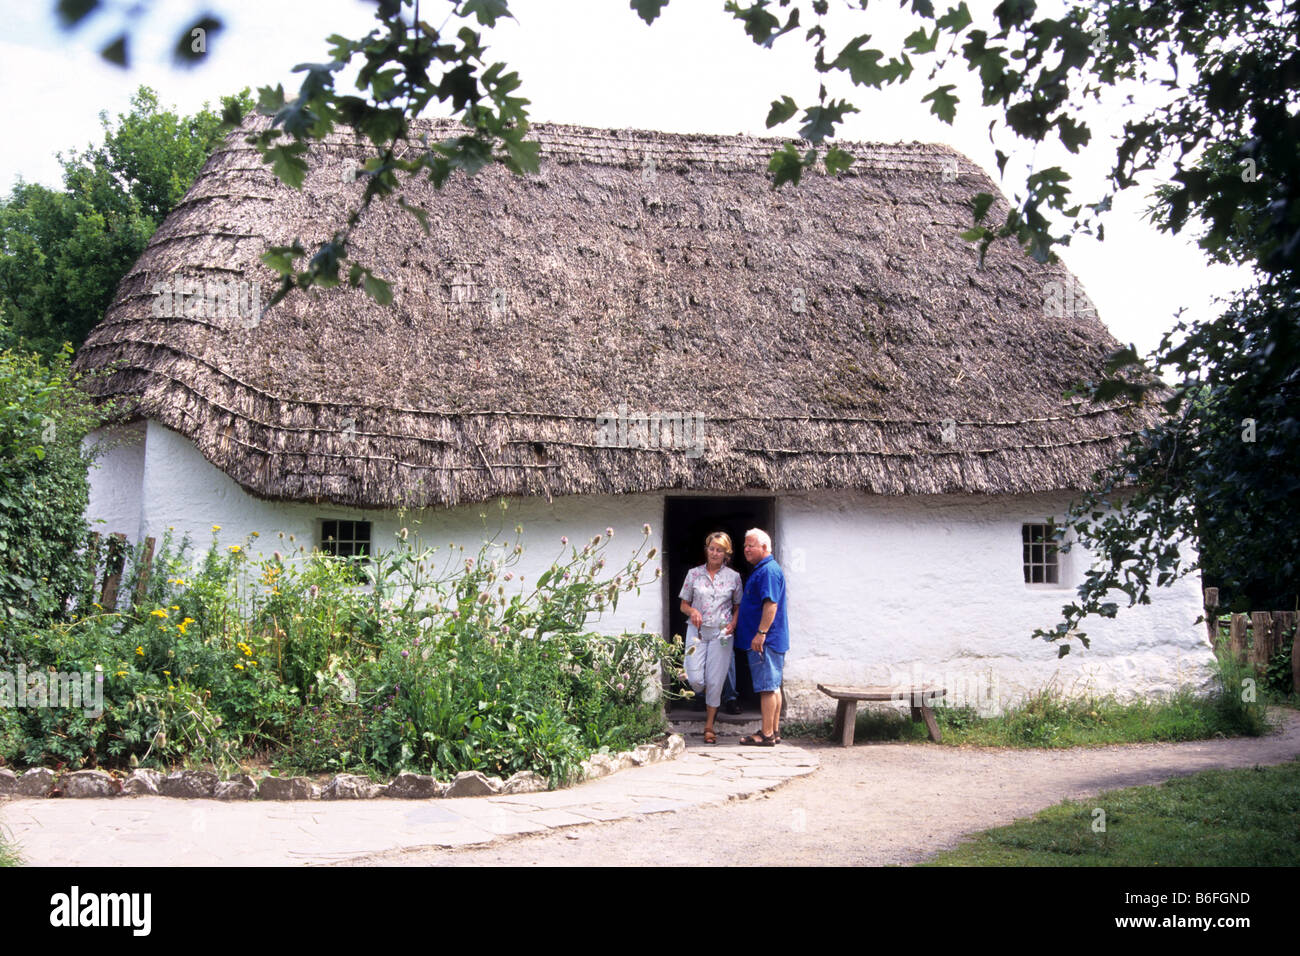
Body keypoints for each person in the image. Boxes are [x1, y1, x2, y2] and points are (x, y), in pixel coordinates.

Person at [678, 532, 743, 745]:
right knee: (695, 678)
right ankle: (704, 693)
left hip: (721, 634)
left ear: (726, 554)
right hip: (696, 632)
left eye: (720, 550)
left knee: (715, 681)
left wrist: (733, 623)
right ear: (707, 549)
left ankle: (709, 726)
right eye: (712, 548)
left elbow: (737, 606)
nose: (715, 553)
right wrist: (692, 611)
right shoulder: (693, 574)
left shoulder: (734, 577)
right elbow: (683, 604)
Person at [735, 528, 788, 746]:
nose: (746, 549)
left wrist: (761, 633)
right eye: (745, 545)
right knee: (773, 685)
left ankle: (766, 734)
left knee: (767, 686)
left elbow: (771, 604)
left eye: (751, 545)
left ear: (764, 547)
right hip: (771, 639)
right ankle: (773, 731)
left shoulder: (767, 571)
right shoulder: (765, 569)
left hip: (766, 640)